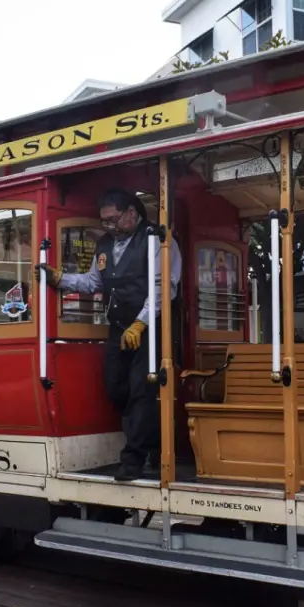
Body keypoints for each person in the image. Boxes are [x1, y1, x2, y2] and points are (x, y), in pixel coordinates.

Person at [37, 188, 182, 481]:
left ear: (132, 213)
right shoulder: (105, 245)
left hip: (151, 326)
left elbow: (164, 286)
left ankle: (133, 460)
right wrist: (59, 279)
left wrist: (140, 323)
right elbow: (94, 281)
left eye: (114, 219)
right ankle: (152, 439)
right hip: (118, 328)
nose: (109, 226)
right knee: (115, 386)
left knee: (143, 390)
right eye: (105, 221)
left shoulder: (157, 239)